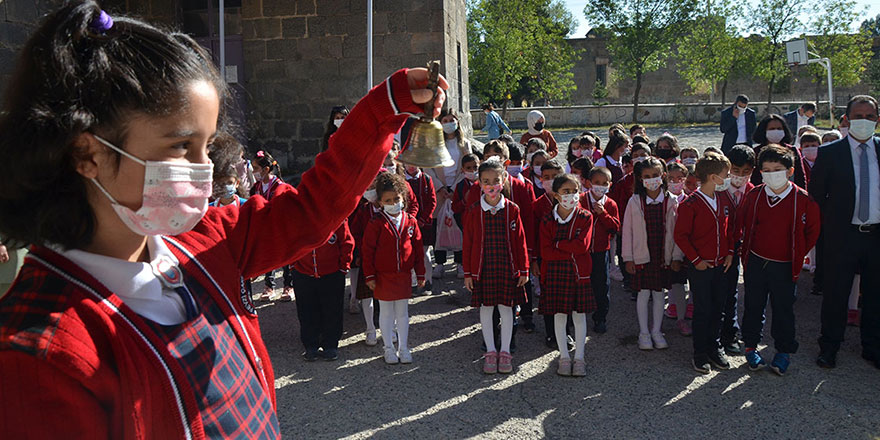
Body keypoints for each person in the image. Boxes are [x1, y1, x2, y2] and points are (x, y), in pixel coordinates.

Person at [0, 2, 448, 437]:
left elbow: (311, 210)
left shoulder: (205, 240)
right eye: (180, 147)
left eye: (207, 146)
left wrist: (383, 108)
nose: (204, 169)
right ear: (87, 153)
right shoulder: (40, 358)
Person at [809, 95, 880, 369]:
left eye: (870, 116)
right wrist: (833, 223)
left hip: (875, 236)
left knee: (875, 295)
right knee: (836, 293)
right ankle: (830, 346)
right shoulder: (829, 153)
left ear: (877, 120)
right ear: (847, 119)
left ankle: (872, 347)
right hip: (843, 236)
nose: (864, 121)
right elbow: (817, 195)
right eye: (858, 116)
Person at [737, 145, 820, 375]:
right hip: (756, 261)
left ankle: (783, 351)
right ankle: (751, 347)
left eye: (777, 169)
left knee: (784, 309)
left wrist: (799, 252)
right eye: (766, 170)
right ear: (760, 172)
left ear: (790, 170)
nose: (771, 174)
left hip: (784, 265)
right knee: (753, 306)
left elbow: (812, 231)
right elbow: (744, 223)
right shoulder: (754, 195)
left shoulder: (802, 199)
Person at [463, 157, 530, 375]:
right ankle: (490, 351)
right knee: (486, 308)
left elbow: (520, 241)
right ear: (480, 183)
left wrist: (524, 269)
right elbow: (468, 243)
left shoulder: (513, 209)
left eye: (495, 180)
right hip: (483, 268)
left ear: (503, 180)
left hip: (506, 267)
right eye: (486, 181)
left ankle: (505, 351)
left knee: (507, 308)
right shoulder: (473, 211)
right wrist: (467, 273)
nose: (491, 185)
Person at [674, 152, 736, 374]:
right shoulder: (690, 204)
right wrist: (697, 260)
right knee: (702, 309)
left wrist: (730, 252)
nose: (729, 178)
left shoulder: (725, 198)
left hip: (722, 265)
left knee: (719, 307)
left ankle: (714, 346)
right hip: (701, 267)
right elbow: (681, 236)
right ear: (712, 177)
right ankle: (699, 352)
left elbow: (730, 228)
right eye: (725, 175)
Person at [362, 172, 426, 364]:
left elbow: (418, 249)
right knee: (386, 312)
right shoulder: (376, 223)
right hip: (383, 276)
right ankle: (388, 347)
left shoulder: (411, 221)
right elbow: (368, 251)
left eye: (396, 199)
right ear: (380, 202)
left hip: (403, 275)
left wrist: (420, 272)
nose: (393, 203)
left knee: (403, 313)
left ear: (403, 198)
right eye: (388, 200)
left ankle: (404, 347)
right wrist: (370, 276)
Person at [623, 158, 681, 350]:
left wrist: (676, 256)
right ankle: (644, 333)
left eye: (655, 175)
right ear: (640, 179)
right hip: (642, 256)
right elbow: (627, 232)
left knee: (659, 294)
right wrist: (628, 258)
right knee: (642, 294)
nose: (651, 180)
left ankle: (657, 330)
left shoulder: (671, 201)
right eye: (647, 177)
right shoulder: (634, 201)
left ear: (663, 176)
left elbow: (677, 232)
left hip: (662, 255)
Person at [538, 174, 594, 377]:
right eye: (565, 192)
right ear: (556, 195)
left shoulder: (586, 216)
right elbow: (545, 252)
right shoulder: (547, 220)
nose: (571, 196)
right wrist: (567, 248)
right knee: (559, 316)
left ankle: (579, 357)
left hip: (579, 273)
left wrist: (559, 245)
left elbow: (582, 246)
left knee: (579, 316)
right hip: (554, 274)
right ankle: (564, 357)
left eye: (574, 191)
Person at [291, 220, 354, 361]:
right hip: (303, 273)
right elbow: (289, 243)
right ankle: (310, 345)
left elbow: (347, 242)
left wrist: (344, 266)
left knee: (332, 310)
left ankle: (330, 344)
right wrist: (293, 265)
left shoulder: (337, 218)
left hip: (332, 273)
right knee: (306, 310)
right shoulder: (296, 219)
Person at [425, 109, 474, 279]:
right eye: (444, 120)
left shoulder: (464, 144)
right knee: (439, 225)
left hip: (457, 189)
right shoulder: (434, 144)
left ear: (457, 122)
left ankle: (460, 262)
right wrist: (440, 187)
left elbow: (469, 165)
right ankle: (439, 263)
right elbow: (427, 167)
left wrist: (455, 188)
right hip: (440, 190)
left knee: (458, 224)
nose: (448, 123)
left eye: (451, 120)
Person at [718, 145, 756, 356]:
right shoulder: (718, 188)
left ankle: (730, 333)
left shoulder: (753, 192)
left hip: (742, 248)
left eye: (746, 172)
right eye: (736, 170)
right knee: (720, 292)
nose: (740, 176)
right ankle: (716, 333)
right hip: (720, 248)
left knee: (734, 292)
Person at [251, 150, 295, 301]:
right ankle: (269, 287)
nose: (254, 172)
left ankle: (288, 286)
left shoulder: (279, 186)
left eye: (256, 169)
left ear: (266, 169)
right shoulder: (255, 187)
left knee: (285, 257)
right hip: (264, 227)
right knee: (268, 255)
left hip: (280, 226)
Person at [581, 167, 620, 334]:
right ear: (589, 183)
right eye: (597, 183)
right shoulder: (581, 200)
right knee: (581, 283)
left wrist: (603, 214)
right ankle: (578, 316)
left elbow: (616, 226)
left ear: (609, 185)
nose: (600, 186)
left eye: (604, 183)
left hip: (601, 250)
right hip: (582, 251)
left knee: (602, 284)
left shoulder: (610, 204)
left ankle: (600, 317)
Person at [665, 162, 693, 333]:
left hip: (687, 251)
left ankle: (685, 315)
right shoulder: (663, 200)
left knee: (688, 283)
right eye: (671, 178)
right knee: (675, 284)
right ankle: (677, 313)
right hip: (669, 249)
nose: (675, 182)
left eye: (679, 178)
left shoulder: (690, 200)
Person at [750, 114, 807, 189]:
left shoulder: (792, 150)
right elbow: (754, 179)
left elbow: (800, 178)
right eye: (772, 129)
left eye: (779, 128)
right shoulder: (756, 152)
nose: (776, 131)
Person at [404, 164, 436, 291]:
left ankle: (428, 281)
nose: (412, 167)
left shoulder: (426, 179)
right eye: (408, 163)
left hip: (424, 224)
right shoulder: (402, 180)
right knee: (409, 253)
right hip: (407, 223)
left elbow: (432, 201)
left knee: (425, 252)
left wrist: (422, 219)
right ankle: (413, 283)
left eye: (415, 163)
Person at [451, 154, 480, 230]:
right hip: (466, 224)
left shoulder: (485, 183)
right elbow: (454, 208)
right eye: (468, 168)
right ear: (462, 170)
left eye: (475, 167)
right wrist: (464, 201)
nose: (472, 170)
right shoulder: (461, 186)